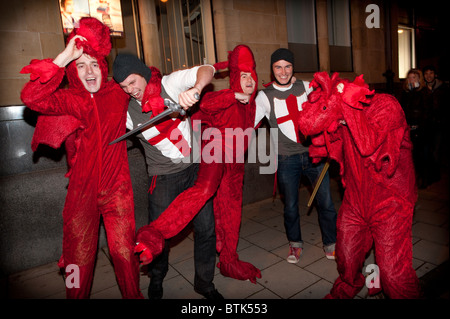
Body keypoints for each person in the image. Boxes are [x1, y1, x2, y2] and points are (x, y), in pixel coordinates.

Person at [20, 17, 143, 299]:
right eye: (81, 65)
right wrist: (65, 56)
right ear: (73, 71)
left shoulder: (116, 92)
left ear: (103, 66)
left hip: (117, 191)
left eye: (94, 64)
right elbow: (31, 97)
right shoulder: (69, 99)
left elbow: (148, 80)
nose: (89, 71)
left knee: (124, 254)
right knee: (78, 260)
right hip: (81, 195)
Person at [133, 44, 262, 285]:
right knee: (204, 190)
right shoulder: (228, 98)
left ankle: (227, 260)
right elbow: (206, 103)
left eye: (251, 76)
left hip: (235, 170)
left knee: (230, 216)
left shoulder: (256, 104)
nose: (248, 81)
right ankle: (154, 235)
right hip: (213, 156)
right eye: (242, 76)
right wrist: (233, 94)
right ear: (235, 79)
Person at [112, 54, 222, 299]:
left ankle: (204, 283)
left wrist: (195, 87)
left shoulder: (169, 85)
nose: (131, 90)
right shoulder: (126, 112)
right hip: (162, 178)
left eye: (133, 82)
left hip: (195, 169)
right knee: (158, 234)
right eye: (124, 87)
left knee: (206, 229)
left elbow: (208, 68)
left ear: (142, 73)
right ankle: (157, 278)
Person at [254, 48, 337, 263]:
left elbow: (328, 109)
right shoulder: (264, 96)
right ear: (272, 70)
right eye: (278, 67)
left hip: (314, 156)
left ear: (293, 68)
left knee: (326, 202)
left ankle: (331, 242)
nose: (283, 71)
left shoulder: (307, 87)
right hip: (286, 159)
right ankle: (295, 244)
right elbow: (248, 123)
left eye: (287, 66)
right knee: (290, 206)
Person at [400, 68, 427, 188]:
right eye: (409, 77)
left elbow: (425, 110)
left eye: (414, 77)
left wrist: (415, 91)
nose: (411, 80)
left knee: (420, 154)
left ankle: (421, 178)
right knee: (408, 155)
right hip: (408, 127)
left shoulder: (423, 92)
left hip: (420, 127)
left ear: (419, 79)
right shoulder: (405, 93)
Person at [422, 65, 448, 184]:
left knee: (436, 151)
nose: (429, 76)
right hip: (426, 125)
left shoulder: (443, 88)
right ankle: (429, 174)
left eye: (431, 73)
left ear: (435, 75)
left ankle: (435, 174)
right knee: (427, 151)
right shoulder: (422, 89)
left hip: (439, 125)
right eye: (426, 73)